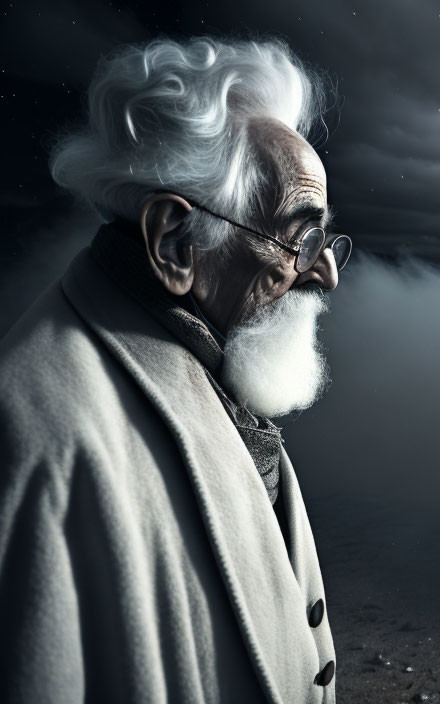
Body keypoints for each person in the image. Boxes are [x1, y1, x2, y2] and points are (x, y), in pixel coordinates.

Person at [0, 37, 346, 702]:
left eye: (324, 239)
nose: (324, 271)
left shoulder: (213, 353)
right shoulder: (36, 444)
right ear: (174, 244)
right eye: (299, 239)